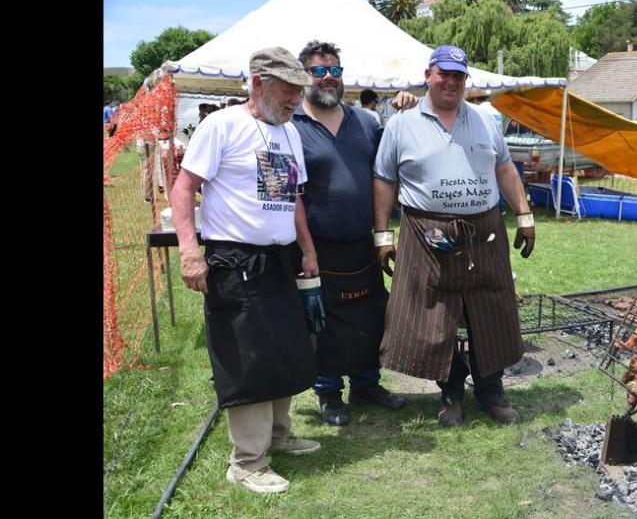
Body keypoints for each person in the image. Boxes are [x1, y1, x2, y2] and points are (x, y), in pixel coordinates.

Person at [170, 46, 322, 494]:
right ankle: (247, 461)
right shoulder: (223, 126)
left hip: (279, 259)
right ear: (258, 83)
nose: (296, 99)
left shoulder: (290, 132)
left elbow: (294, 199)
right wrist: (189, 250)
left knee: (286, 349)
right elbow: (184, 189)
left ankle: (279, 434)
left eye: (300, 91)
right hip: (235, 260)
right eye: (289, 90)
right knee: (250, 358)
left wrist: (307, 250)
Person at [372, 45, 537, 427]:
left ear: (465, 81)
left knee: (491, 311)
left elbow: (505, 170)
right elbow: (383, 179)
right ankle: (450, 391)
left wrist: (525, 215)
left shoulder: (483, 120)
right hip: (425, 233)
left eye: (458, 76)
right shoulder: (401, 123)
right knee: (432, 316)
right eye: (443, 73)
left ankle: (490, 390)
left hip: (485, 233)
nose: (450, 81)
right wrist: (382, 234)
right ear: (428, 75)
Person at [291, 40, 416, 426]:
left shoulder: (366, 122)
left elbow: (387, 171)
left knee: (369, 314)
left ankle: (367, 383)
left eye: (335, 71)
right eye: (319, 71)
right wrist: (305, 248)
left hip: (363, 241)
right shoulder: (290, 126)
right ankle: (328, 393)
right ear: (303, 77)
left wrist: (409, 110)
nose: (329, 78)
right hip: (315, 245)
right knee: (323, 323)